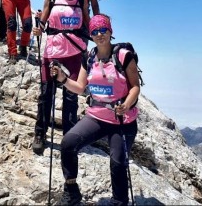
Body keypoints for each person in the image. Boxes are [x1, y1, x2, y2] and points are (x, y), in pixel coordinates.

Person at [50, 14, 141, 206]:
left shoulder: (124, 56)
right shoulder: (89, 57)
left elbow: (135, 87)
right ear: (90, 34)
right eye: (95, 31)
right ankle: (72, 191)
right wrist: (63, 79)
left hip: (121, 120)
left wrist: (126, 105)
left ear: (110, 31)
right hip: (97, 117)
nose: (99, 34)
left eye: (103, 30)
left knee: (118, 163)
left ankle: (119, 202)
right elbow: (80, 87)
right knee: (68, 143)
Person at [31, 0, 90, 155]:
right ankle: (40, 133)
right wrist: (39, 28)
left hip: (74, 52)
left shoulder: (81, 0)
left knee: (71, 97)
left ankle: (69, 136)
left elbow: (87, 24)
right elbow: (44, 21)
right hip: (54, 51)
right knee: (46, 94)